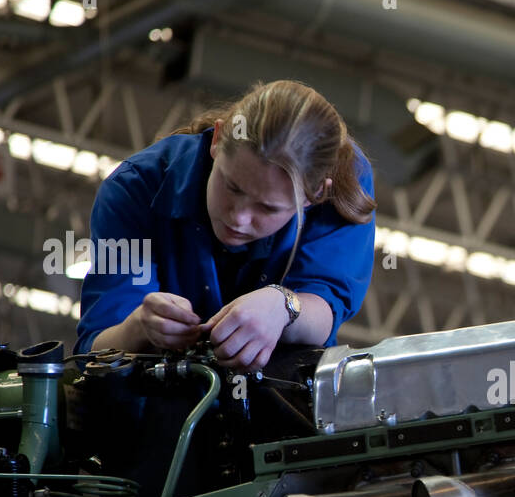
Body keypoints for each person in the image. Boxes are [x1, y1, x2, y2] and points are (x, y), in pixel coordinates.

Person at [74, 79, 376, 371]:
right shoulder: (137, 187)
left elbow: (326, 308)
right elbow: (94, 352)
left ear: (316, 195)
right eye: (232, 187)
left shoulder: (345, 187)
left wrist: (283, 307)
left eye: (267, 207)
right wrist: (138, 326)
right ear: (217, 140)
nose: (238, 217)